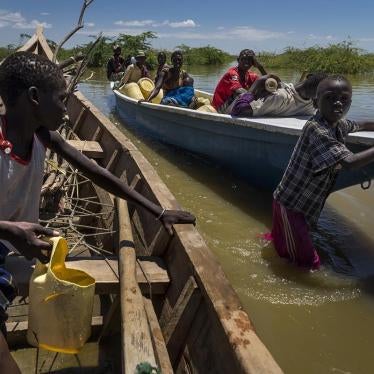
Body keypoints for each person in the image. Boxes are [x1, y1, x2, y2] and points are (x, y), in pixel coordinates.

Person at [0, 51, 195, 373]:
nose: (66, 109)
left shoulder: (41, 135)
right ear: (34, 98)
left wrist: (158, 211)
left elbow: (96, 172)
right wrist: (8, 230)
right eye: (62, 99)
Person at [270, 75, 374, 269]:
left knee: (285, 246)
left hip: (303, 206)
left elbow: (361, 124)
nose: (338, 104)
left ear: (350, 102)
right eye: (330, 98)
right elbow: (350, 162)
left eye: (344, 99)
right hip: (292, 206)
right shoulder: (316, 129)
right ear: (316, 102)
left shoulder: (338, 125)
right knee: (307, 265)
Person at [230, 72, 328, 117]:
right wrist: (254, 87)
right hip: (230, 108)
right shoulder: (280, 97)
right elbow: (238, 109)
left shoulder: (313, 105)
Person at [212, 49, 267, 114]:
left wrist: (260, 67)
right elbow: (239, 91)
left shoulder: (251, 76)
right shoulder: (232, 74)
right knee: (241, 94)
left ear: (253, 63)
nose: (246, 62)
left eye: (249, 60)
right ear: (238, 60)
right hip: (220, 109)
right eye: (243, 59)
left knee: (265, 91)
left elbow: (269, 83)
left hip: (235, 106)